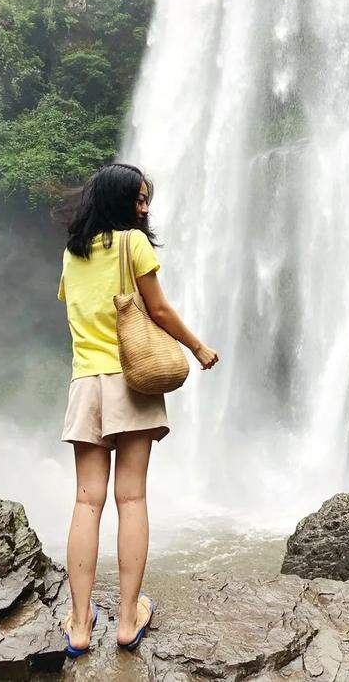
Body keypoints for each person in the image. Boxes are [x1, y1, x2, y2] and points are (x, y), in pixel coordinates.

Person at [55, 162, 219, 657]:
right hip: (130, 381)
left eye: (147, 198)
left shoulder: (71, 255)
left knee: (87, 501)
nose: (144, 207)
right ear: (118, 202)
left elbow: (79, 312)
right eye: (138, 199)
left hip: (86, 384)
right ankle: (128, 620)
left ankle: (80, 625)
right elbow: (159, 310)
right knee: (131, 499)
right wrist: (198, 348)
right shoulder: (134, 243)